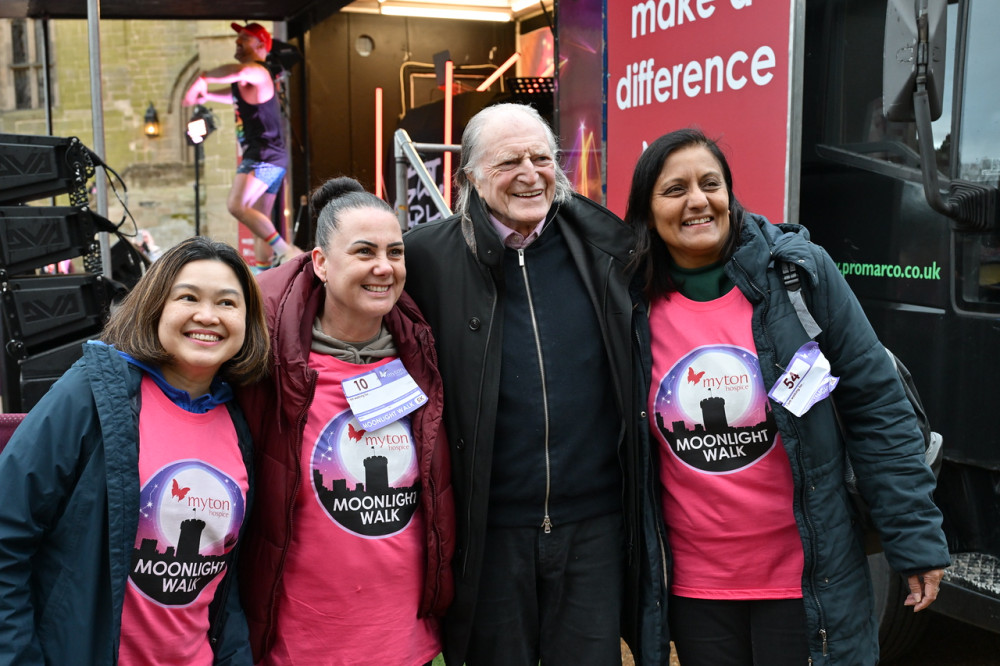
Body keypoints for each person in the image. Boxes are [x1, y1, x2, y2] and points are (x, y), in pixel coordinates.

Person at [623, 128, 950, 665]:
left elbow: (877, 406)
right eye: (674, 189)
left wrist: (913, 536)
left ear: (730, 194)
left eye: (711, 184)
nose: (698, 201)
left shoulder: (797, 275)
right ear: (647, 208)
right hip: (697, 588)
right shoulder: (629, 302)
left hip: (807, 578)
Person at [403, 103, 669, 665]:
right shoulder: (425, 258)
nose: (529, 173)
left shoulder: (608, 251)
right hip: (490, 532)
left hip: (593, 527)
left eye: (541, 157)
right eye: (508, 162)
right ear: (471, 176)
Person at [0, 236, 270, 665]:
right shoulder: (92, 391)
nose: (207, 315)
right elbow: (7, 531)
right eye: (188, 297)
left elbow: (224, 580)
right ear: (156, 306)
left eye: (227, 303)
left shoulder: (238, 421)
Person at [237, 177, 454, 665]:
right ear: (320, 262)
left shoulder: (421, 354)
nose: (383, 267)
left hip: (403, 636)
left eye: (395, 252)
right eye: (363, 252)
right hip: (302, 638)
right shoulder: (267, 362)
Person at [183, 22, 299, 271]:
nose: (237, 42)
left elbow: (238, 72)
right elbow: (233, 92)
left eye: (244, 38)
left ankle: (287, 251)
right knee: (260, 219)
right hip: (272, 158)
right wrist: (208, 95)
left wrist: (204, 78)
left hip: (264, 156)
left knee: (237, 205)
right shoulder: (245, 81)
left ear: (260, 45)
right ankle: (264, 273)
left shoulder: (258, 71)